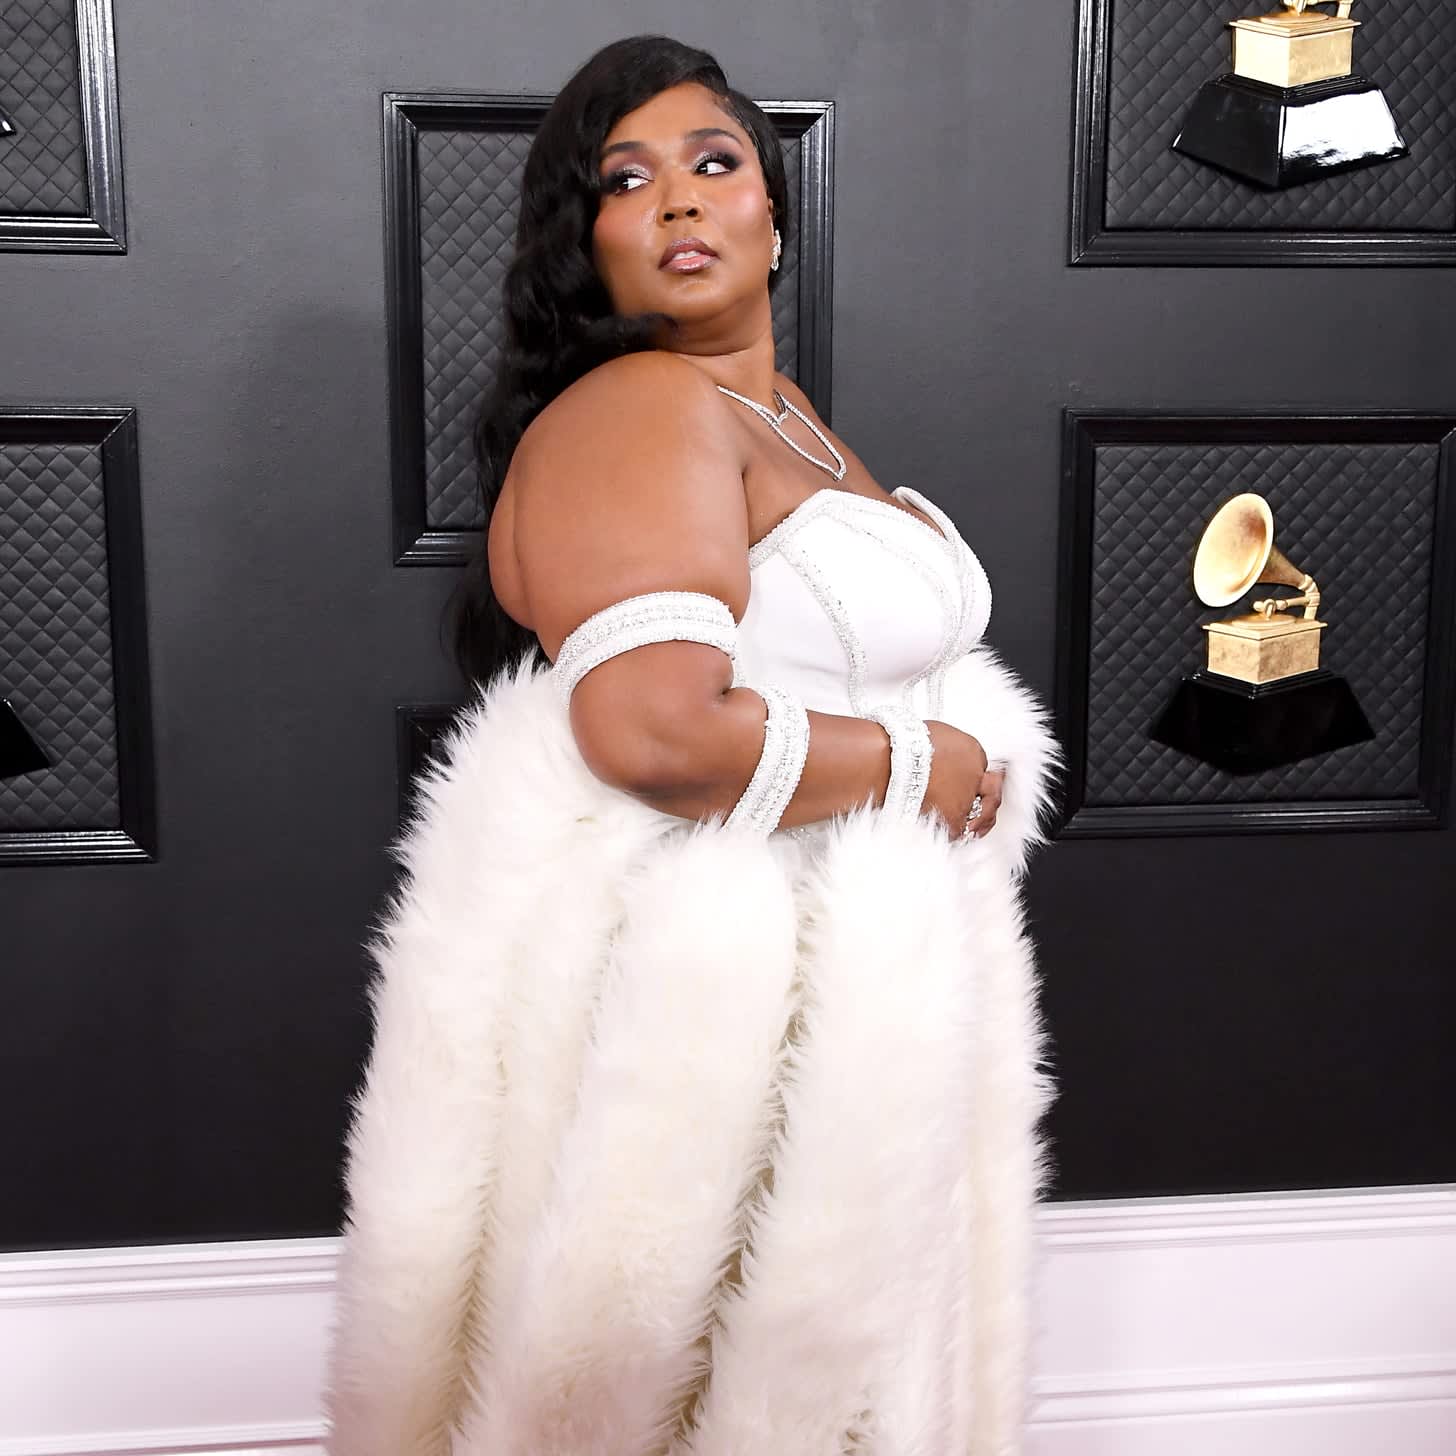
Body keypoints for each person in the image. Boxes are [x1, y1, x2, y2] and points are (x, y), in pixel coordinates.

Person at [324, 33, 1059, 1456]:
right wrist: (928, 765)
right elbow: (651, 727)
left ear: (772, 214)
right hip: (722, 995)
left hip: (844, 981)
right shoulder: (641, 408)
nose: (676, 199)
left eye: (714, 163)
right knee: (706, 1384)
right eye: (625, 180)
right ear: (585, 245)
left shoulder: (775, 413)